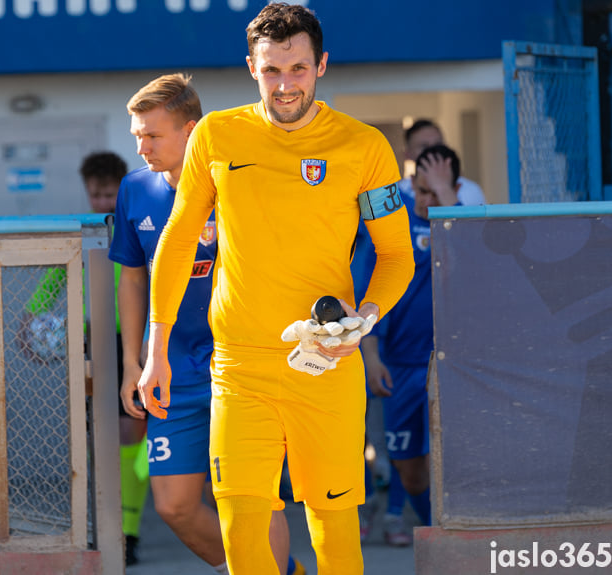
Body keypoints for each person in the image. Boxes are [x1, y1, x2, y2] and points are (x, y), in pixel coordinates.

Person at [136, 5, 415, 573]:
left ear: (322, 66)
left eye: (298, 68)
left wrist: (365, 317)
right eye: (271, 70)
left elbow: (396, 256)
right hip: (240, 367)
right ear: (251, 68)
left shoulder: (364, 148)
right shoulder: (216, 134)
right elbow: (178, 238)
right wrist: (155, 348)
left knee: (333, 531)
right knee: (242, 529)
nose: (285, 85)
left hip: (328, 366)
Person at [113, 73, 305, 575]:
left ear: (191, 131)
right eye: (137, 136)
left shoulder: (237, 183)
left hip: (239, 365)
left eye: (153, 135)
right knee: (174, 504)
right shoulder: (135, 190)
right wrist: (133, 361)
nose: (143, 147)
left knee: (255, 498)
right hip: (169, 371)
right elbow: (132, 281)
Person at [26, 150, 151, 565]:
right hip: (89, 340)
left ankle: (128, 530)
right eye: (95, 195)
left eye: (109, 194)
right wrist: (29, 322)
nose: (101, 203)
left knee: (131, 434)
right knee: (96, 437)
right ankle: (102, 523)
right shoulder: (81, 232)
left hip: (131, 341)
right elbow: (51, 282)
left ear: (123, 190)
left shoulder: (136, 226)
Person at [357, 144, 462, 545]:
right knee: (411, 470)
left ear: (453, 190)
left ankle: (450, 540)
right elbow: (369, 296)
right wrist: (372, 356)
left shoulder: (460, 226)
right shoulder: (394, 229)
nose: (427, 200)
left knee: (456, 464)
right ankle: (431, 525)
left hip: (450, 366)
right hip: (400, 368)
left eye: (436, 192)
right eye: (421, 190)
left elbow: (474, 263)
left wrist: (446, 200)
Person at [399, 119, 486, 206]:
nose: (433, 152)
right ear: (407, 155)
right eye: (424, 146)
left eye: (438, 144)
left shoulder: (470, 190)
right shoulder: (398, 193)